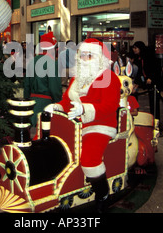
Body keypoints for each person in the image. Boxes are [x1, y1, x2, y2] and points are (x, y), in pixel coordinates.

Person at [46, 38, 121, 212]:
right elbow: (67, 101)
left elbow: (110, 106)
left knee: (89, 159)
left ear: (100, 58)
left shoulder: (110, 78)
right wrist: (57, 106)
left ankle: (103, 194)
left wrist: (85, 109)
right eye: (83, 55)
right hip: (73, 125)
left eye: (90, 55)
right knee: (50, 143)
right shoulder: (76, 78)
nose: (84, 59)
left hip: (99, 126)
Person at [24, 32, 62, 129]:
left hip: (32, 104)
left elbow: (26, 85)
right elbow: (55, 88)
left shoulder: (32, 61)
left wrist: (27, 101)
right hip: (46, 105)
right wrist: (59, 103)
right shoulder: (52, 63)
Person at [132, 41, 160, 119]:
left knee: (154, 102)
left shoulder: (149, 56)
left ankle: (156, 119)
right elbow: (139, 72)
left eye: (136, 48)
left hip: (154, 82)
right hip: (146, 81)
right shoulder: (138, 58)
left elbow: (156, 68)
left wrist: (151, 77)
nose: (134, 50)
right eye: (133, 48)